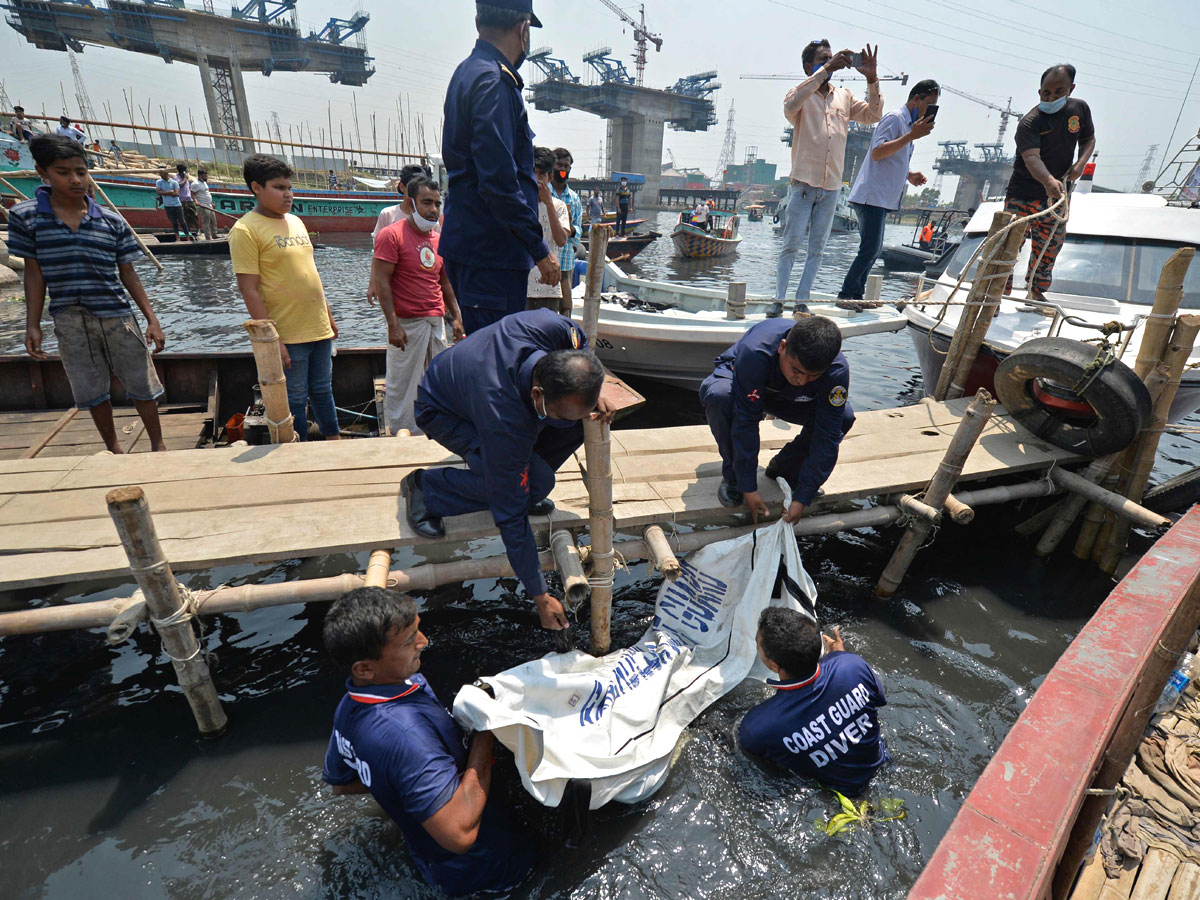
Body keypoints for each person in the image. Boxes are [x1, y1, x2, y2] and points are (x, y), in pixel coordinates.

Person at [405, 310, 611, 632]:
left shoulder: (553, 328)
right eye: (560, 412)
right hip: (443, 410)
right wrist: (540, 597)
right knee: (534, 483)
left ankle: (526, 476)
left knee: (578, 428)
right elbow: (511, 518)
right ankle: (427, 489)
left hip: (472, 382)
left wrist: (592, 397)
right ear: (537, 395)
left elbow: (580, 347)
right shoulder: (504, 421)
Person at [322, 586, 534, 896]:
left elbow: (341, 783)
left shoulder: (349, 707)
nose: (424, 642)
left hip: (430, 862)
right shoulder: (404, 735)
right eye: (409, 642)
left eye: (418, 630)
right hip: (489, 868)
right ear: (365, 668)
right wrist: (486, 731)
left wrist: (410, 789)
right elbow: (459, 835)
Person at [12, 135, 167, 453]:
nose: (75, 179)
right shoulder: (26, 217)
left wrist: (152, 319)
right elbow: (34, 273)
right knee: (91, 388)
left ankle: (158, 445)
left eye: (81, 171)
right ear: (43, 172)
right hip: (69, 318)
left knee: (142, 383)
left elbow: (128, 273)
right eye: (63, 172)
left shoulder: (110, 221)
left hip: (117, 315)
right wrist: (33, 324)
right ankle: (113, 449)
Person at [440, 0, 560, 334]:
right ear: (524, 30)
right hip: (490, 252)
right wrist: (539, 249)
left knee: (482, 354)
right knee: (493, 363)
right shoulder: (495, 82)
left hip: (474, 244)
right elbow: (498, 182)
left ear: (479, 20)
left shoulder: (468, 72)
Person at [699, 316, 853, 523]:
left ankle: (785, 468)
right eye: (797, 370)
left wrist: (803, 496)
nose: (801, 380)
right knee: (720, 397)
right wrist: (748, 487)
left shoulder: (837, 371)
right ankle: (733, 477)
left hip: (792, 398)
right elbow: (746, 422)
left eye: (812, 376)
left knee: (843, 417)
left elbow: (828, 436)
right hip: (747, 385)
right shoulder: (755, 352)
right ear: (782, 347)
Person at [230, 154, 340, 441]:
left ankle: (333, 440)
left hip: (317, 327)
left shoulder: (295, 222)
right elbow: (249, 288)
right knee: (294, 398)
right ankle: (298, 449)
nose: (288, 194)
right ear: (256, 187)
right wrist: (272, 339)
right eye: (279, 187)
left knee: (323, 389)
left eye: (289, 187)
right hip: (288, 333)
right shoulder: (245, 230)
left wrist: (328, 314)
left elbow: (309, 273)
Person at [771, 41, 884, 318]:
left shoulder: (843, 96)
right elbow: (790, 106)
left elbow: (873, 114)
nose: (831, 62)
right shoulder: (801, 93)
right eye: (823, 59)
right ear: (809, 66)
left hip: (832, 186)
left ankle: (801, 301)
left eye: (832, 58)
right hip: (803, 184)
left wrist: (872, 78)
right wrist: (824, 72)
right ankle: (778, 300)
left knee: (817, 250)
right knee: (790, 245)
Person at [739, 610, 889, 796]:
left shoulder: (758, 726)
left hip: (835, 797)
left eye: (758, 644)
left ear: (774, 666)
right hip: (882, 767)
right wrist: (838, 658)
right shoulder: (852, 665)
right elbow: (878, 699)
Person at [371, 173, 465, 435]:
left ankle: (434, 428)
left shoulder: (438, 239)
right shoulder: (391, 236)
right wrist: (393, 325)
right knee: (403, 383)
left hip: (434, 322)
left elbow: (444, 281)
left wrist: (456, 317)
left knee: (436, 379)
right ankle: (403, 431)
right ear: (411, 203)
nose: (433, 210)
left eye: (437, 203)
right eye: (427, 203)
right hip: (407, 323)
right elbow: (382, 283)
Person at [839, 79, 938, 303]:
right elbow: (877, 152)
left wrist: (908, 174)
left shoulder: (908, 126)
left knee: (872, 251)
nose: (930, 110)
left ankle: (857, 295)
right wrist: (911, 136)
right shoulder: (895, 119)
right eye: (928, 104)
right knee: (869, 250)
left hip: (881, 198)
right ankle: (847, 294)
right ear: (916, 100)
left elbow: (891, 159)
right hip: (871, 196)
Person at [1005, 63, 1095, 300]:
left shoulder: (1079, 109)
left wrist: (1080, 164)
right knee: (1007, 248)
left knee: (1049, 246)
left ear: (1070, 89)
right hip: (1023, 194)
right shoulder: (1030, 123)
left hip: (1058, 196)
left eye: (1058, 92)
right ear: (1039, 92)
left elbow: (1088, 139)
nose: (1051, 97)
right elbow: (1032, 158)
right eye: (1046, 92)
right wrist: (1048, 181)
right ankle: (995, 294)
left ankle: (1035, 292)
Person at [527, 146, 569, 313]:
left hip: (549, 286)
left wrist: (548, 203)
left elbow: (561, 240)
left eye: (541, 175)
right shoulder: (521, 205)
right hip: (524, 285)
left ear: (550, 177)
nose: (537, 180)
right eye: (533, 173)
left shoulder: (559, 207)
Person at [551, 147, 582, 316]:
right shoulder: (542, 192)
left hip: (565, 261)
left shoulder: (574, 198)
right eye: (559, 165)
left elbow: (579, 230)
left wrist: (570, 230)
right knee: (545, 306)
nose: (562, 169)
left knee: (565, 307)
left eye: (566, 166)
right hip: (544, 258)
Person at [372, 163, 435, 240]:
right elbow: (378, 245)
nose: (417, 191)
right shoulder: (387, 215)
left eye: (421, 186)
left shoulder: (431, 219)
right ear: (402, 187)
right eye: (413, 186)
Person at [155, 168, 193, 241]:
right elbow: (158, 192)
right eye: (160, 174)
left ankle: (188, 237)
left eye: (163, 174)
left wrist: (165, 192)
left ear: (167, 174)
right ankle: (177, 238)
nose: (161, 176)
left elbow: (176, 194)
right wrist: (169, 192)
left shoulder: (174, 182)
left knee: (182, 221)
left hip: (177, 205)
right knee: (174, 222)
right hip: (168, 205)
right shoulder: (159, 182)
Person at [192, 168, 218, 240]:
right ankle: (208, 237)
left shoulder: (204, 182)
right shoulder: (195, 184)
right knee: (206, 222)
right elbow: (192, 193)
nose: (206, 177)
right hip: (203, 206)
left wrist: (211, 202)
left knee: (213, 221)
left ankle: (214, 235)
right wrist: (196, 201)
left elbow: (207, 193)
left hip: (209, 205)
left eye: (206, 176)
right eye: (204, 176)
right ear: (200, 175)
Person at [175, 164, 200, 236]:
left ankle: (198, 229)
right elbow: (180, 185)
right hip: (181, 200)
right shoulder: (176, 177)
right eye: (185, 171)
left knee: (194, 214)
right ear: (183, 172)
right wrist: (185, 179)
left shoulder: (186, 178)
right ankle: (187, 230)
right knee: (184, 216)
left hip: (189, 199)